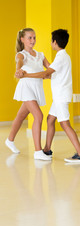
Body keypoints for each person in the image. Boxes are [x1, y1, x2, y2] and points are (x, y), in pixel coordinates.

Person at [16, 29, 80, 163]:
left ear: (55, 42)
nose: (50, 43)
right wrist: (44, 75)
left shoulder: (61, 57)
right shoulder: (63, 56)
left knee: (65, 124)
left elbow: (45, 73)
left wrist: (26, 75)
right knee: (50, 120)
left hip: (61, 97)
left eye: (51, 41)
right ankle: (47, 149)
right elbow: (50, 74)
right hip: (59, 96)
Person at [6, 28, 52, 161]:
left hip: (36, 89)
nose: (33, 40)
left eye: (34, 38)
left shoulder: (41, 55)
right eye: (29, 38)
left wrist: (47, 75)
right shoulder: (21, 54)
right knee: (38, 115)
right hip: (26, 87)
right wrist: (18, 71)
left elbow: (49, 70)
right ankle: (38, 151)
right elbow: (19, 64)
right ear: (22, 39)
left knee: (21, 116)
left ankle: (10, 140)